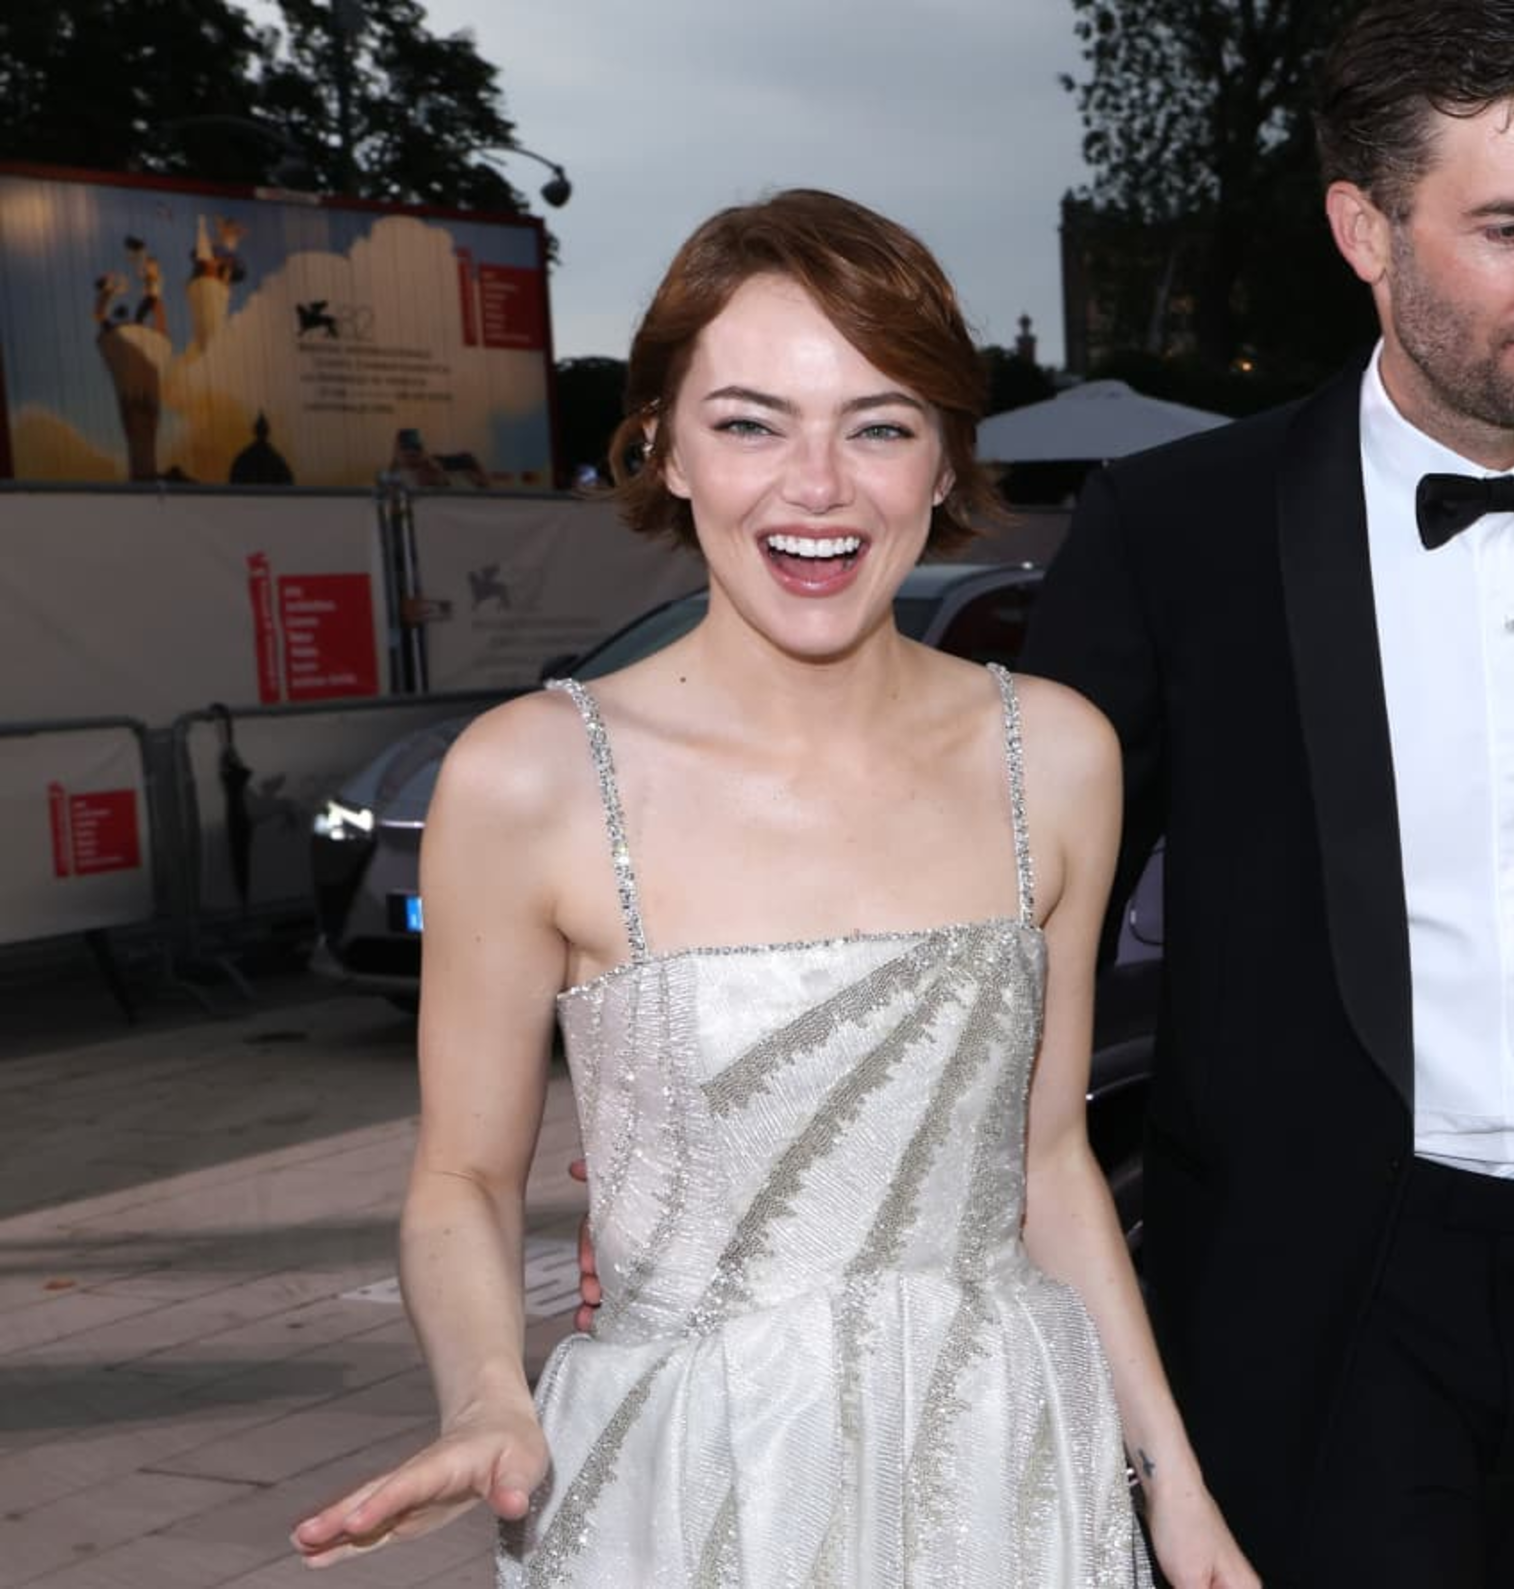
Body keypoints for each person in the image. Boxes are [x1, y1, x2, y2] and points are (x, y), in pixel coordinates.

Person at [289, 189, 1255, 1589]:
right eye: (751, 424)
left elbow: (1048, 1164)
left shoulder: (1055, 756)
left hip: (1004, 1467)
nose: (818, 486)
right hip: (692, 1478)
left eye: (879, 426)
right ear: (665, 448)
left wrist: (1174, 1489)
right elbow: (463, 1175)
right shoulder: (528, 779)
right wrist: (486, 1393)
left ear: (944, 459)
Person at [1017, 3, 1514, 1585]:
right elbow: (1019, 918)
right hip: (1327, 1299)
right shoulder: (1177, 532)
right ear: (1362, 231)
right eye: (1509, 228)